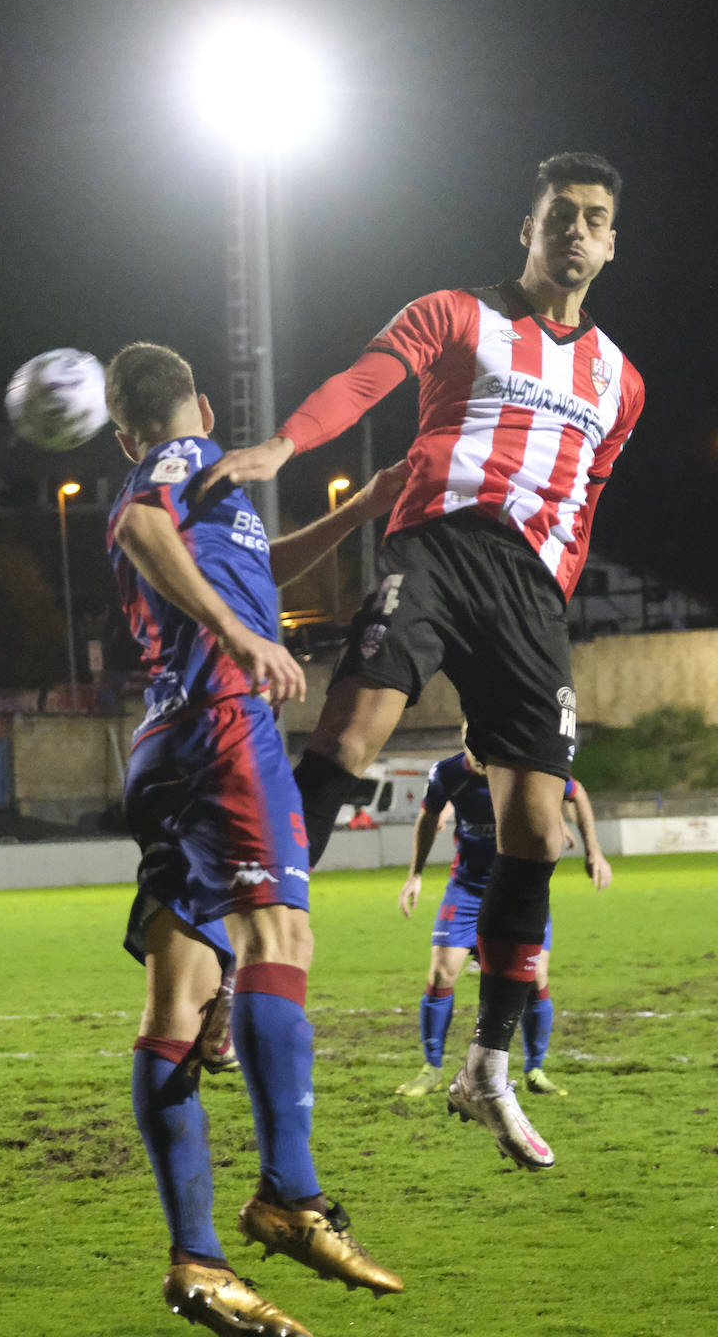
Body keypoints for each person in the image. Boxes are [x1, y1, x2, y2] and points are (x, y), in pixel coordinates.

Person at [196, 152, 644, 1170]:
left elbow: (590, 489)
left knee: (535, 822)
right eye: (560, 214)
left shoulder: (622, 381)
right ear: (525, 228)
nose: (576, 230)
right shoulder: (453, 313)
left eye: (595, 218)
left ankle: (487, 1070)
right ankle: (236, 965)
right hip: (438, 546)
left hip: (531, 595)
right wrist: (281, 450)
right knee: (353, 737)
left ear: (612, 244)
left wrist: (556, 588)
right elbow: (364, 381)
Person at [105, 342, 406, 1335]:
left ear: (118, 425)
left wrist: (357, 511)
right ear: (194, 405)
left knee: (179, 994)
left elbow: (253, 572)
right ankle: (291, 1193)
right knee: (281, 942)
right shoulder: (184, 462)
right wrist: (237, 639)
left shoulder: (204, 496)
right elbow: (143, 522)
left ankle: (197, 1263)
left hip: (166, 740)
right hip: (223, 719)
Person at [394, 735, 611, 1099]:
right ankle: (431, 1068)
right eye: (471, 746)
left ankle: (535, 1070)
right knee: (441, 972)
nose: (479, 755)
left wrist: (595, 852)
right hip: (466, 889)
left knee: (535, 977)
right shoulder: (448, 773)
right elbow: (430, 815)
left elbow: (575, 791)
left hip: (518, 888)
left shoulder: (523, 765)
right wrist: (415, 874)